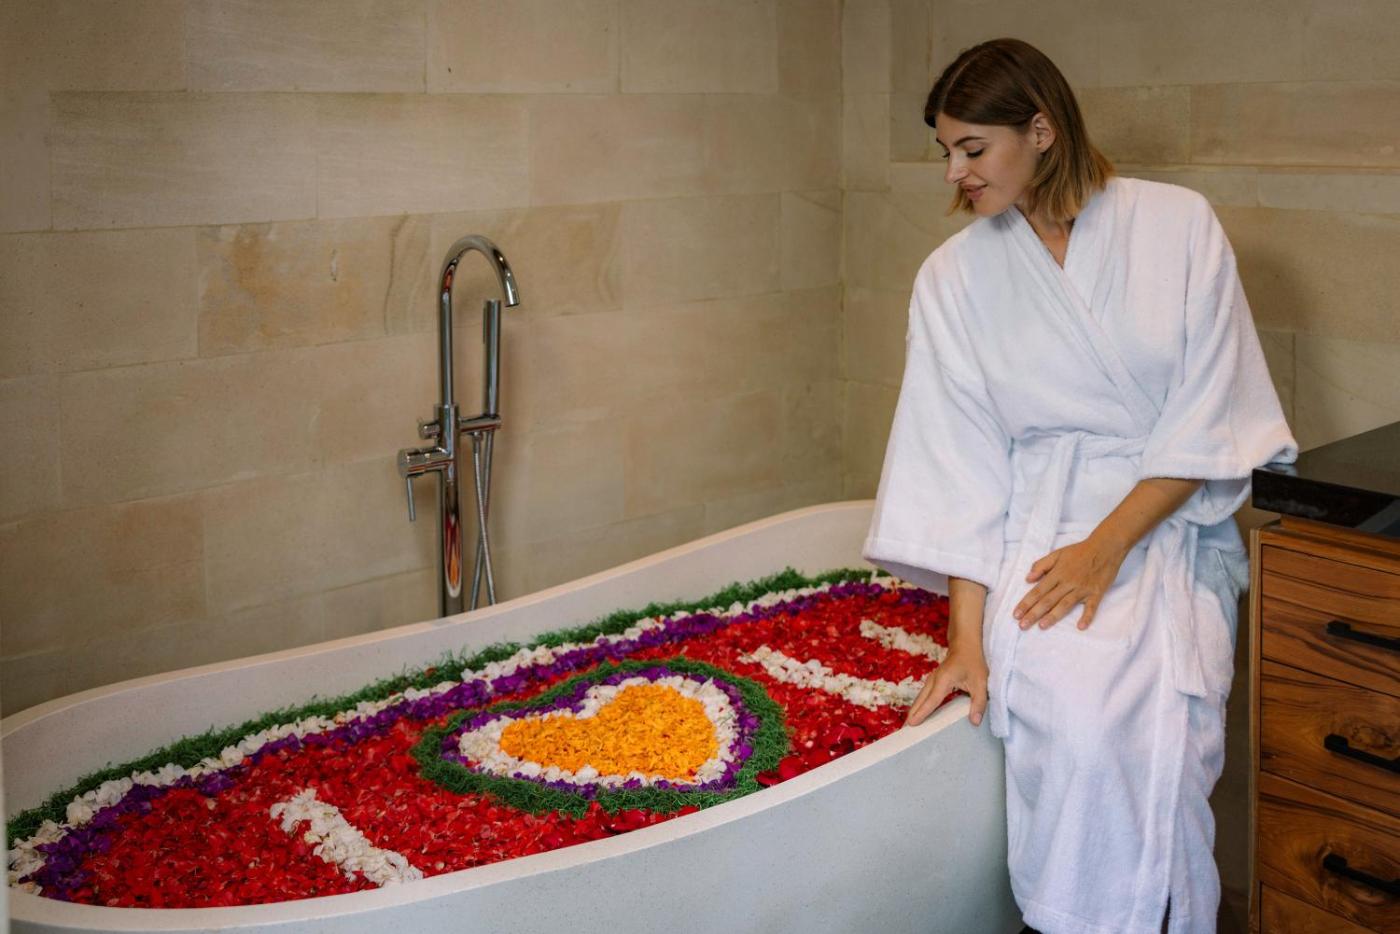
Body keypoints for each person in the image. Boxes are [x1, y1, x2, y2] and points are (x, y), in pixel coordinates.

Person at [862, 38, 1297, 934]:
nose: (954, 172)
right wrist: (967, 640)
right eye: (945, 150)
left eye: (972, 148)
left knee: (1154, 749)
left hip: (1160, 527)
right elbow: (957, 465)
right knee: (1070, 736)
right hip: (1038, 536)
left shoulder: (1177, 225)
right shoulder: (953, 277)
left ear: (1041, 130)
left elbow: (1209, 413)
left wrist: (1107, 548)